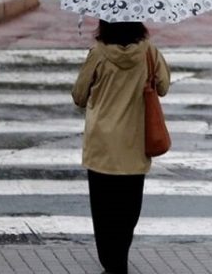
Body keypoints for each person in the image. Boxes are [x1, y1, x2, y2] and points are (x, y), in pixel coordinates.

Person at [72, 20, 170, 274]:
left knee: (103, 210)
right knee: (128, 210)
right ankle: (119, 260)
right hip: (134, 143)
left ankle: (111, 262)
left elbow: (79, 96)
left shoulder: (98, 54)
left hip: (101, 145)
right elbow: (163, 86)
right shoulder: (148, 51)